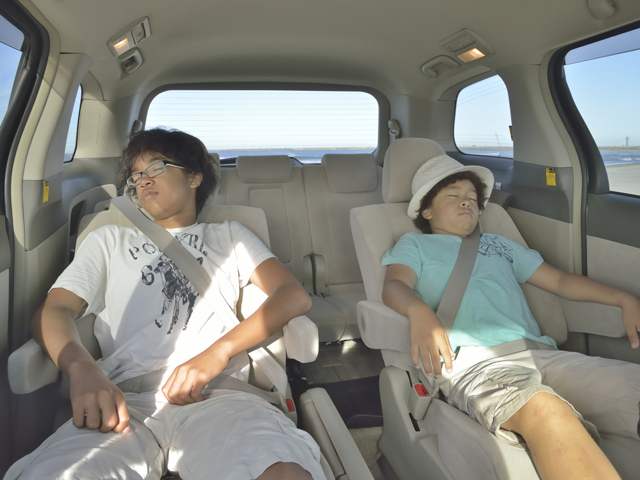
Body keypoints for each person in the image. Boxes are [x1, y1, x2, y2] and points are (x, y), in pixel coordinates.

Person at [5, 128, 329, 480]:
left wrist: (217, 353)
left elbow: (292, 294)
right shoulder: (108, 238)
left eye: (156, 167)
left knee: (281, 472)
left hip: (220, 396)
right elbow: (54, 310)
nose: (143, 180)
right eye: (135, 175)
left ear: (193, 177)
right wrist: (82, 369)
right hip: (123, 401)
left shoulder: (230, 235)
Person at [381, 154, 640, 480]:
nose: (466, 202)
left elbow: (560, 281)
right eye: (453, 195)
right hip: (477, 364)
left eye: (472, 198)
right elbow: (394, 286)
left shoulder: (500, 245)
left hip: (541, 354)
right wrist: (418, 310)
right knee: (545, 409)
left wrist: (623, 298)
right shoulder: (415, 244)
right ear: (427, 211)